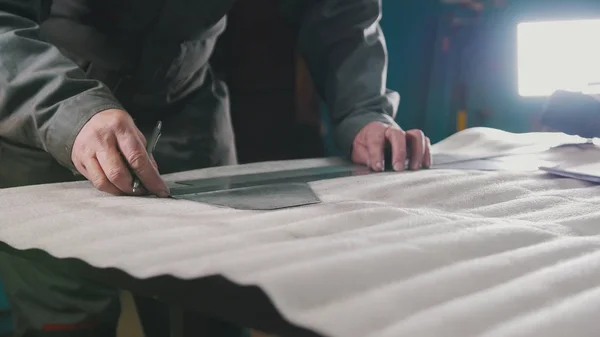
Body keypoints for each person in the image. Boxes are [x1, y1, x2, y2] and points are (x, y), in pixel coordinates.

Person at [0, 0, 432, 336]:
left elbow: (339, 10)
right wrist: (68, 111)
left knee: (210, 305)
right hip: (45, 109)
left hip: (186, 108)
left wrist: (363, 112)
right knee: (63, 316)